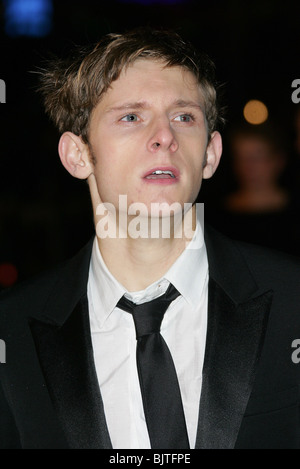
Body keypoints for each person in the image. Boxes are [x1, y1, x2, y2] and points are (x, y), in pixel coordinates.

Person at [0, 27, 300, 450]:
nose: (165, 137)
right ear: (77, 155)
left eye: (183, 116)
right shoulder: (11, 335)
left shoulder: (294, 302)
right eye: (131, 117)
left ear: (210, 154)